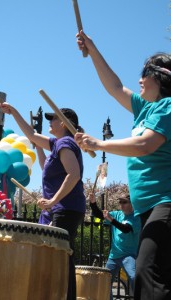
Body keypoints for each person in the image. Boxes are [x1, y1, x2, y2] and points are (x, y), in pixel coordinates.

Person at [74, 30, 171, 300]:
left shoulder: (169, 107)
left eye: (145, 73)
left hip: (166, 203)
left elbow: (145, 145)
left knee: (147, 272)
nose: (139, 79)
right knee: (152, 275)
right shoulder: (145, 108)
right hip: (149, 208)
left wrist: (99, 144)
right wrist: (92, 49)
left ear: (161, 77)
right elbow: (114, 87)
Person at [0, 103, 86, 300]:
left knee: (59, 257)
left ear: (64, 124)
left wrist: (53, 200)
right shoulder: (58, 144)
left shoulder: (65, 144)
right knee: (59, 256)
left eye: (53, 118)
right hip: (62, 208)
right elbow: (31, 135)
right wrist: (14, 112)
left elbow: (73, 175)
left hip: (66, 209)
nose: (50, 121)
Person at [89, 192, 141, 299]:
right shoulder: (117, 214)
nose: (121, 204)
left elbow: (125, 229)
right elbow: (99, 214)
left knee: (134, 278)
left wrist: (111, 220)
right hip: (114, 256)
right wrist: (93, 203)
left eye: (124, 202)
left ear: (132, 203)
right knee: (105, 282)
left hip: (129, 255)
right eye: (120, 202)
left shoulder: (136, 217)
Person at [35, 145, 51, 225]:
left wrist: (51, 202)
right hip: (46, 215)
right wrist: (38, 146)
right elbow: (46, 169)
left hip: (58, 214)